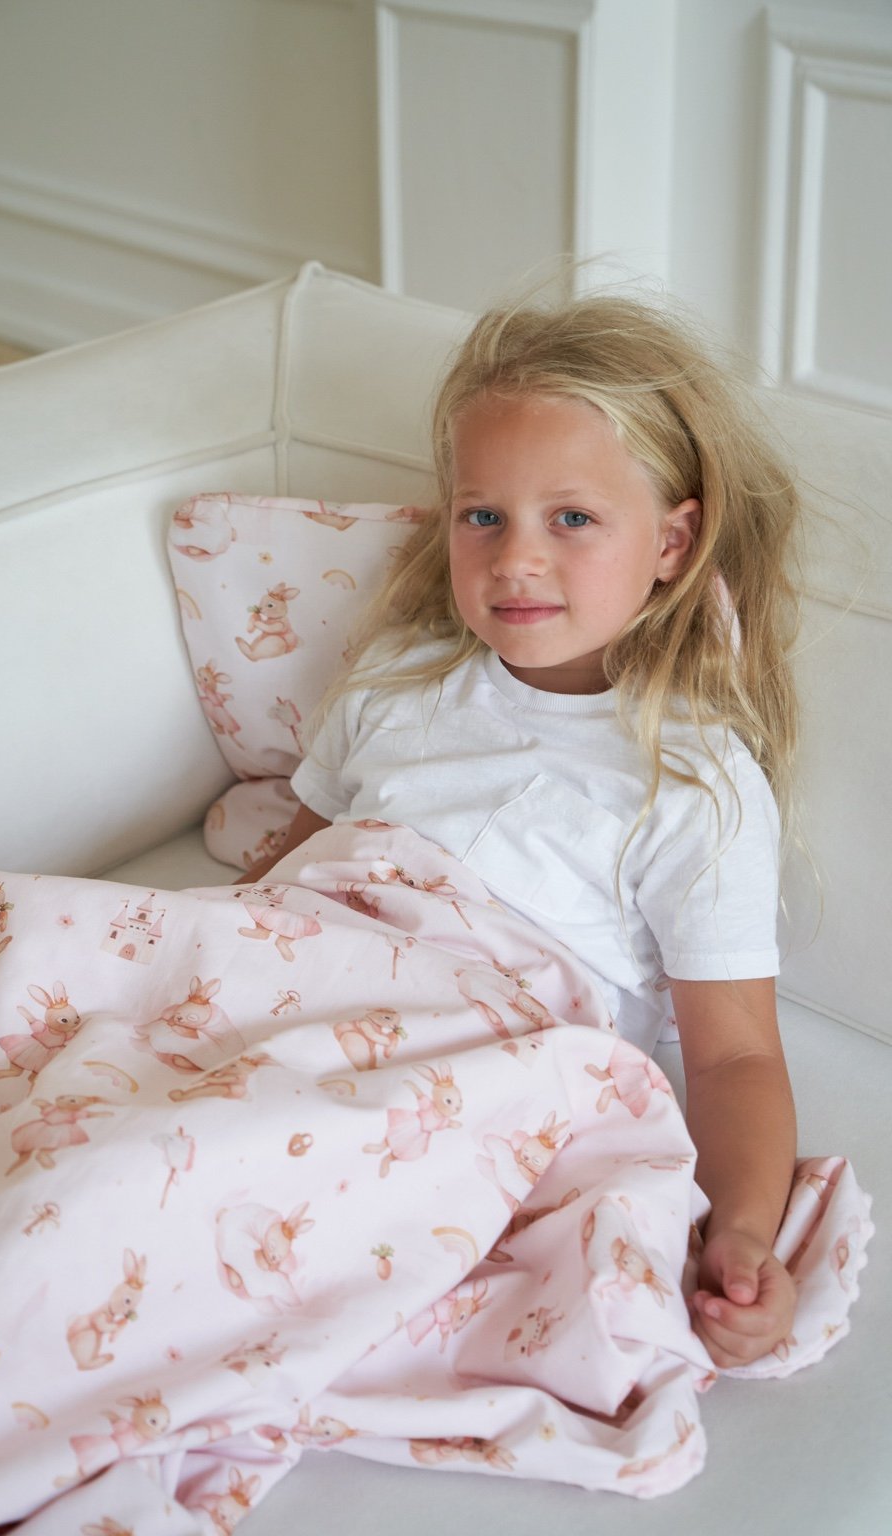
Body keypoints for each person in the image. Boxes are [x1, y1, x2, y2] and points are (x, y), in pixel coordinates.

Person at [243, 293, 803, 1371]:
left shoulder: (690, 779)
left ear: (671, 541)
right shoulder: (399, 685)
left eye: (572, 519)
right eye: (481, 516)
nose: (513, 560)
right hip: (300, 1001)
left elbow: (733, 1053)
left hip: (468, 1057)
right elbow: (288, 875)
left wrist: (738, 1230)